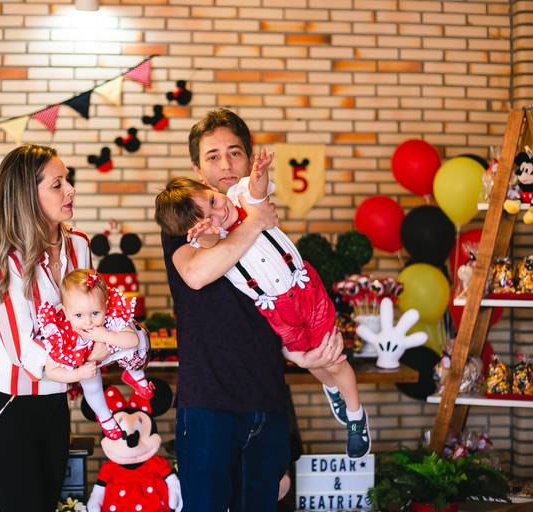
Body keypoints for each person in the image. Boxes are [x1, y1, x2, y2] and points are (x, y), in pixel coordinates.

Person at [155, 108, 344, 511]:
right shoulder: (185, 224)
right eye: (213, 156)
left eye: (234, 153)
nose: (225, 164)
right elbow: (197, 274)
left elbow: (277, 310)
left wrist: (300, 354)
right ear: (197, 169)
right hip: (208, 402)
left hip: (267, 401)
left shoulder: (264, 224)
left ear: (249, 158)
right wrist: (254, 222)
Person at [155, 146, 371, 460]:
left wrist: (260, 172)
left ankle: (355, 416)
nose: (219, 212)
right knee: (310, 358)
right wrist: (206, 233)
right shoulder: (212, 241)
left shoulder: (241, 198)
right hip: (276, 307)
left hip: (304, 290)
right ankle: (333, 388)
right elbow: (206, 252)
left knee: (333, 358)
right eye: (208, 217)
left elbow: (257, 191)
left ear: (210, 189)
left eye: (213, 201)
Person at [0, 144, 98, 512]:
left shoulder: (79, 245)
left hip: (53, 402)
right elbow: (24, 350)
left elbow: (89, 315)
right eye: (57, 184)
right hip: (5, 407)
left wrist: (117, 339)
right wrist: (81, 368)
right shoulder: (5, 257)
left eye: (67, 180)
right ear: (27, 195)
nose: (70, 189)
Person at [37, 268, 153, 440]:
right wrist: (78, 374)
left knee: (140, 336)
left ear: (105, 305)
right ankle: (105, 417)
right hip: (86, 364)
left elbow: (133, 340)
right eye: (79, 315)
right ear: (66, 313)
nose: (88, 321)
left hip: (110, 349)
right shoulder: (62, 333)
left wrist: (106, 335)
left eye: (95, 313)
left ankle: (134, 373)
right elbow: (51, 371)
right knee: (91, 383)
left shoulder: (110, 318)